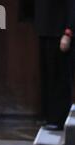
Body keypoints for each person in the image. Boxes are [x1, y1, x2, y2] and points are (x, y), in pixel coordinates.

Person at [34, 0, 75, 130]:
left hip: (60, 32)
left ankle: (59, 119)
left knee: (60, 78)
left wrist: (68, 33)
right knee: (48, 77)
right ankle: (50, 116)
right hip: (46, 30)